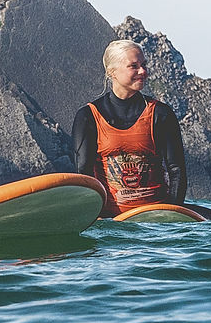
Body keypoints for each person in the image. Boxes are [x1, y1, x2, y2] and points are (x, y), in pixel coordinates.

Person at [71, 39, 200, 217]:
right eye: (134, 66)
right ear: (112, 72)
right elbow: (84, 174)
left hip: (154, 221)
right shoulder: (88, 116)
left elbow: (177, 171)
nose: (143, 71)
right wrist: (96, 218)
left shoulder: (160, 114)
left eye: (144, 65)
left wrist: (171, 218)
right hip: (111, 221)